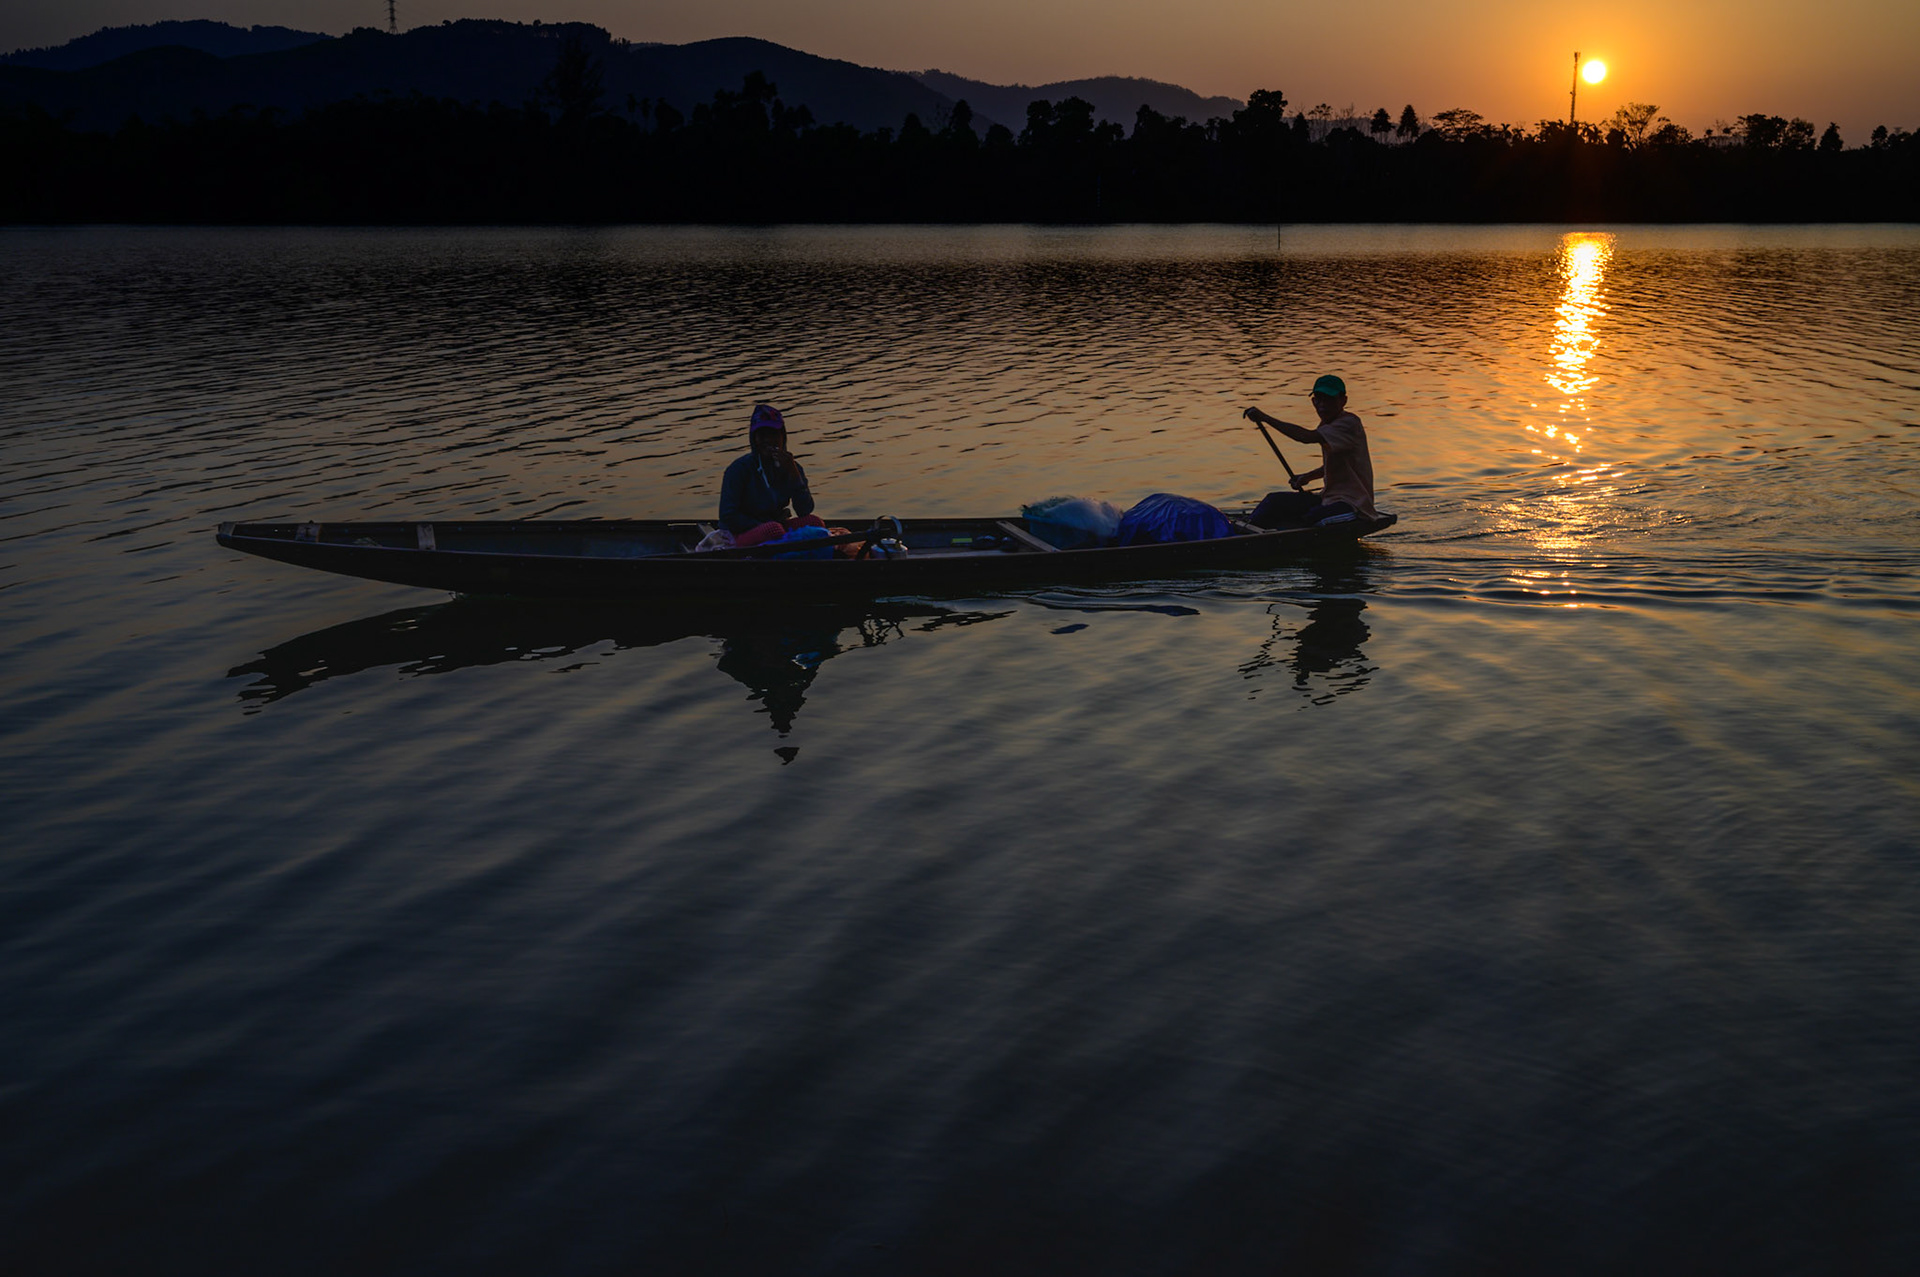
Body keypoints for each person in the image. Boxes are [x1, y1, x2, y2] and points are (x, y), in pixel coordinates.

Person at [1243, 374, 1378, 527]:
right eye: (1318, 399)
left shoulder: (1349, 423)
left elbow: (1306, 437)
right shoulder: (1327, 424)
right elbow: (1335, 465)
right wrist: (1307, 477)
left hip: (1354, 504)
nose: (1322, 405)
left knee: (1311, 519)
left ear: (1343, 400)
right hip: (1328, 497)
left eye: (1329, 399)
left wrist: (1266, 418)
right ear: (1313, 401)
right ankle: (1246, 530)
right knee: (1273, 501)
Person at [718, 403, 825, 548]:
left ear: (782, 436)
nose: (768, 440)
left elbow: (804, 510)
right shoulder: (739, 469)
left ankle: (787, 546)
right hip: (741, 534)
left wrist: (794, 475)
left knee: (815, 523)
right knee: (773, 530)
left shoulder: (792, 466)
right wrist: (762, 525)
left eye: (773, 434)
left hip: (777, 527)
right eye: (762, 435)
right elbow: (728, 516)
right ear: (754, 439)